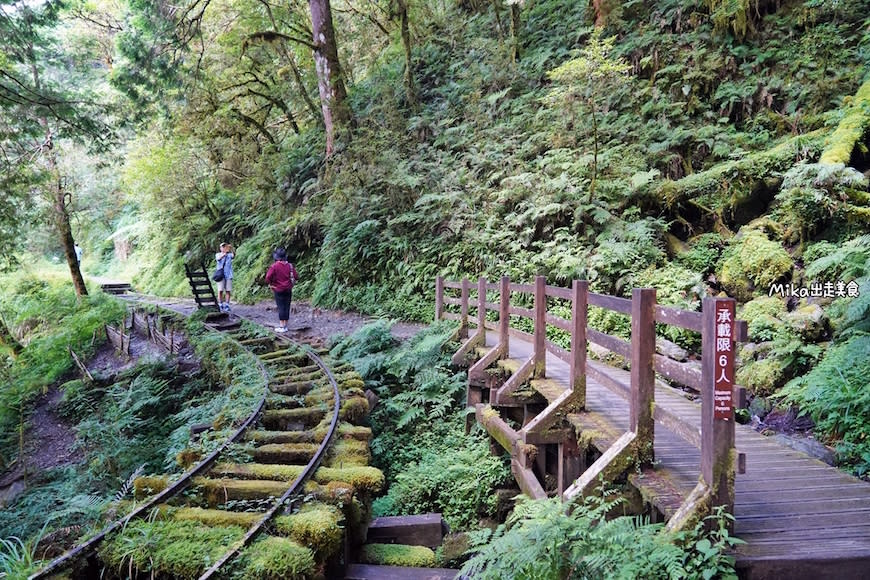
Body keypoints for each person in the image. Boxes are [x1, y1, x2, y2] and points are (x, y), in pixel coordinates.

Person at [264, 247, 298, 333]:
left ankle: (282, 326)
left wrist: (271, 284)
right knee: (287, 306)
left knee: (281, 307)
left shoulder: (274, 266)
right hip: (288, 289)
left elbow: (268, 277)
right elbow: (296, 276)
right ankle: (285, 325)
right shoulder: (290, 266)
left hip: (278, 289)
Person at [215, 243, 234, 312]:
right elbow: (218, 259)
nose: (224, 248)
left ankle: (227, 305)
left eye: (225, 247)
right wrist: (224, 253)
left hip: (229, 275)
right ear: (220, 248)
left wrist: (231, 248)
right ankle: (220, 304)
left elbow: (234, 255)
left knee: (228, 290)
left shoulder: (230, 255)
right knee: (220, 290)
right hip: (221, 275)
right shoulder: (218, 254)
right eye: (223, 247)